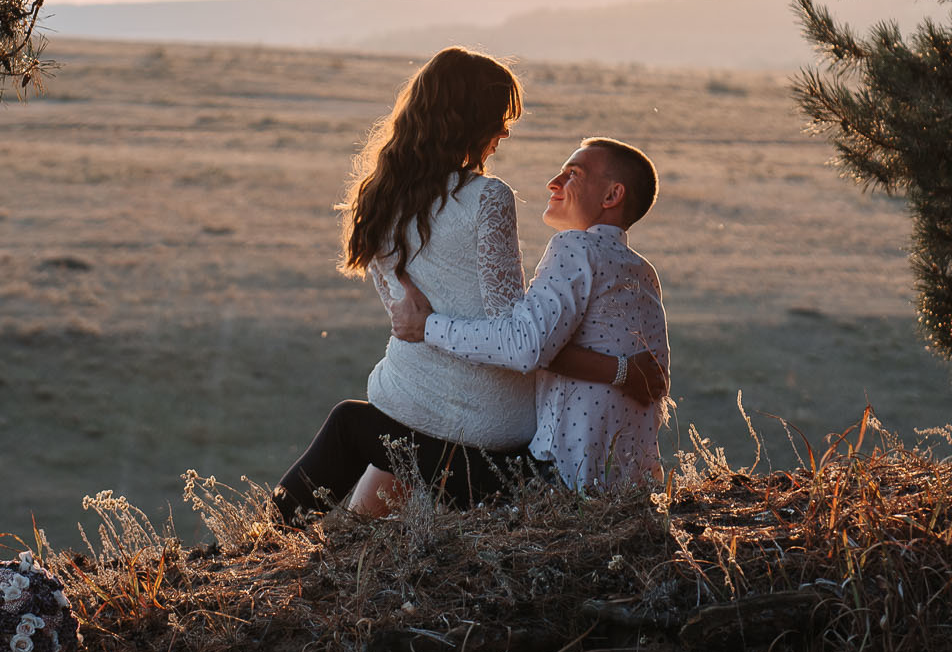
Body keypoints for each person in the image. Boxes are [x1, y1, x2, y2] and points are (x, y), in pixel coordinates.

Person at [272, 49, 657, 522]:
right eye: (500, 117)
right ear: (472, 119)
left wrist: (427, 327)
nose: (505, 131)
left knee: (357, 429)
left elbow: (413, 320)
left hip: (414, 402)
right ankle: (290, 543)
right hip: (492, 419)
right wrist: (620, 370)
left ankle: (262, 542)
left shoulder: (375, 199)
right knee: (365, 437)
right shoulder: (486, 197)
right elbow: (511, 330)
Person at [389, 137, 670, 491]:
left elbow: (526, 345)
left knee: (366, 433)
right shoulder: (643, 272)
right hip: (628, 485)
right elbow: (646, 375)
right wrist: (618, 370)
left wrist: (426, 327)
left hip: (562, 477)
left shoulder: (575, 247)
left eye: (574, 174)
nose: (554, 182)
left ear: (611, 196)